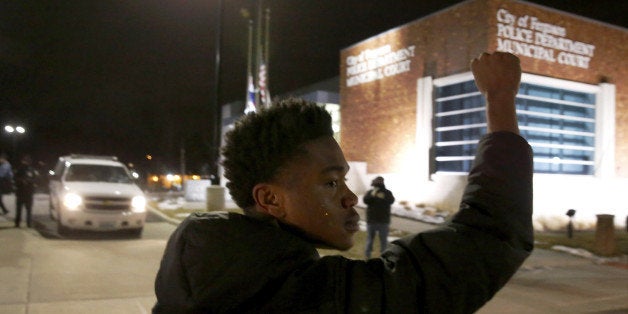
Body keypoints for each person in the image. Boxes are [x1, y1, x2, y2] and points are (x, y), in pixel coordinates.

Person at [153, 52, 533, 313]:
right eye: (331, 183)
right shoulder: (299, 298)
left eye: (345, 181)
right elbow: (487, 238)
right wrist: (499, 99)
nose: (351, 198)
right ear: (270, 198)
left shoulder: (206, 268)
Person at [363, 176, 395, 258]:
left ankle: (384, 258)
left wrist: (383, 197)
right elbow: (365, 200)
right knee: (370, 240)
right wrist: (372, 195)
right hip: (372, 220)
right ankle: (367, 256)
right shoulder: (371, 192)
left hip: (383, 221)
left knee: (383, 241)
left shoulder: (387, 193)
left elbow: (391, 200)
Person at [14, 155, 38, 228]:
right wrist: (22, 181)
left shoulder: (31, 170)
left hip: (28, 192)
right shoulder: (20, 169)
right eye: (25, 161)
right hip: (21, 192)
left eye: (27, 161)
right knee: (20, 209)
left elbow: (35, 180)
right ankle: (18, 223)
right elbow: (15, 179)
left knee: (27, 209)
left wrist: (29, 181)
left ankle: (28, 223)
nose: (25, 163)